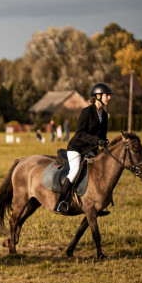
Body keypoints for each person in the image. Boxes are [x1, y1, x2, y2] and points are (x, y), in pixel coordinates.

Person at [57, 82, 113, 213]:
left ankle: (98, 203)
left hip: (91, 150)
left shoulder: (104, 115)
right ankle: (61, 201)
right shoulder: (86, 112)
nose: (109, 98)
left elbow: (102, 136)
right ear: (98, 96)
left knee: (101, 170)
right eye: (107, 95)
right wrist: (97, 140)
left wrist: (105, 142)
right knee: (75, 170)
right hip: (76, 147)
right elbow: (80, 133)